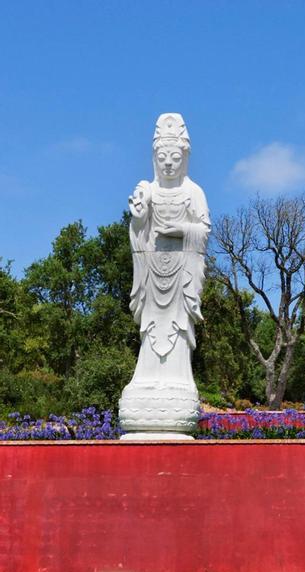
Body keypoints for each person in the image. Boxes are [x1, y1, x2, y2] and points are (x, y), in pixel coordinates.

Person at [119, 113, 210, 436]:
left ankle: (178, 387)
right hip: (152, 276)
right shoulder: (148, 190)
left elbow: (203, 231)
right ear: (154, 159)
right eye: (162, 158)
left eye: (175, 158)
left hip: (180, 280)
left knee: (178, 332)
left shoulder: (193, 192)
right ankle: (145, 384)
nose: (169, 164)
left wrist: (182, 230)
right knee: (150, 331)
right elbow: (139, 230)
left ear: (185, 158)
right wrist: (139, 220)